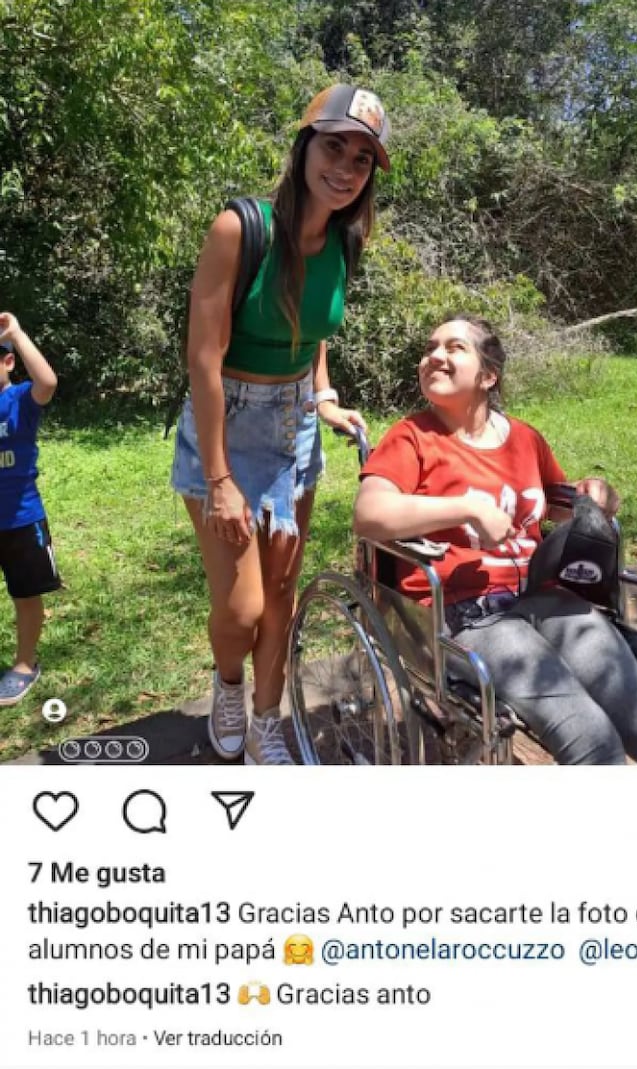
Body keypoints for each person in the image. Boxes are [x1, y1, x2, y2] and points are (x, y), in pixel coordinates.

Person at [353, 315, 637, 765]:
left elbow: (559, 503)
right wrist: (467, 508)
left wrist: (597, 496)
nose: (434, 356)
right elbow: (369, 514)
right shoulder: (411, 438)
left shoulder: (525, 440)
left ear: (488, 375)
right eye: (431, 347)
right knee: (592, 740)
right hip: (466, 617)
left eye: (454, 348)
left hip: (546, 599)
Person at [172, 84, 391, 764]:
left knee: (281, 597)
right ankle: (229, 684)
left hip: (294, 425)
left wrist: (321, 393)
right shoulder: (240, 227)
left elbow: (311, 330)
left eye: (362, 159)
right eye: (334, 146)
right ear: (303, 146)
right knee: (239, 608)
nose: (346, 168)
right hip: (225, 425)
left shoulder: (345, 240)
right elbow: (203, 360)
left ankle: (268, 716)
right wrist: (220, 477)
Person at [0, 312, 60, 706]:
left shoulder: (19, 399)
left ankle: (25, 663)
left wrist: (16, 334)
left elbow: (48, 382)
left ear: (7, 361)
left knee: (25, 595)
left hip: (21, 519)